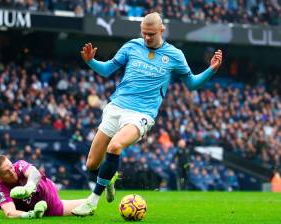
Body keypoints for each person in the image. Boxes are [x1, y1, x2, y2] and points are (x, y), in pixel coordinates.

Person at [72, 12, 223, 216]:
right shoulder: (131, 46)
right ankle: (109, 179)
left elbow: (192, 84)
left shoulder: (175, 55)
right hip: (116, 107)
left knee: (115, 146)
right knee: (92, 164)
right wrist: (91, 61)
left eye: (151, 34)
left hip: (141, 114)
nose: (147, 38)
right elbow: (107, 70)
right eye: (144, 33)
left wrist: (211, 70)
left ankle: (91, 201)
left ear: (162, 30)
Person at [0, 155, 85, 218]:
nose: (12, 172)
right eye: (6, 172)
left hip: (49, 195)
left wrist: (28, 187)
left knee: (89, 206)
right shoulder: (0, 188)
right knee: (86, 206)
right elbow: (10, 212)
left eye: (10, 166)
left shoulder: (19, 165)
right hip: (43, 209)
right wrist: (31, 215)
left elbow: (35, 173)